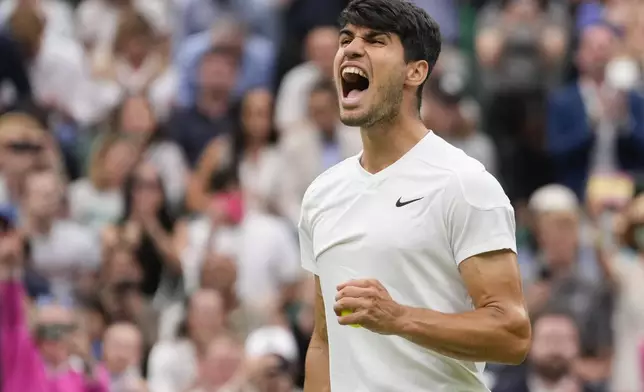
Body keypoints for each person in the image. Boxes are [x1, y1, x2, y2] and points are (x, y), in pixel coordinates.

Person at [298, 1, 531, 391]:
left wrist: (399, 318)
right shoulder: (322, 193)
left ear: (415, 71)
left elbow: (512, 334)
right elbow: (324, 342)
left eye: (375, 40)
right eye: (347, 38)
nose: (352, 49)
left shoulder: (464, 183)